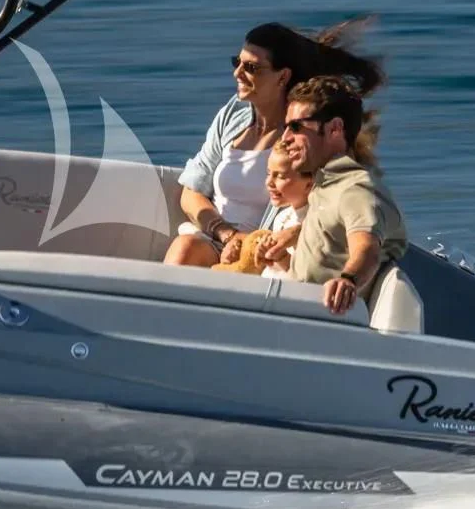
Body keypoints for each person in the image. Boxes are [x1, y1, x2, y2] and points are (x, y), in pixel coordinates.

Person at [165, 20, 383, 268]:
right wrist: (226, 234)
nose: (237, 73)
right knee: (186, 247)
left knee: (186, 250)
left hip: (265, 255)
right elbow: (192, 190)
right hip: (214, 240)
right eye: (237, 62)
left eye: (251, 67)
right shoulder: (233, 114)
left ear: (283, 76)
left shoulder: (303, 137)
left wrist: (275, 238)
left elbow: (335, 204)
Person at [280, 74, 408, 316]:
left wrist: (348, 280)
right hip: (295, 310)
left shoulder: (355, 189)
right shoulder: (326, 185)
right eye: (285, 127)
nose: (285, 138)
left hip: (319, 322)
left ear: (334, 129)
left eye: (296, 127)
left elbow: (366, 248)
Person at [212, 137, 313, 278]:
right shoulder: (282, 218)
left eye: (281, 176)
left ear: (309, 184)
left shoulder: (315, 223)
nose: (269, 182)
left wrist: (282, 257)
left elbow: (309, 279)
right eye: (268, 173)